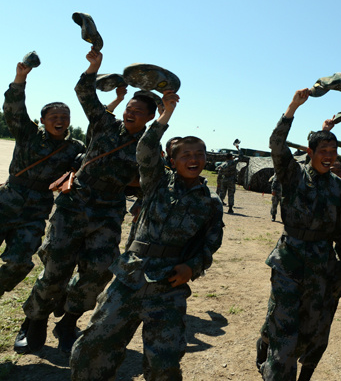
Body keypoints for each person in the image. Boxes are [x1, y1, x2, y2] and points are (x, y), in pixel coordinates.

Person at [69, 91, 224, 381]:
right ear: (172, 161)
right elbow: (145, 148)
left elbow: (211, 242)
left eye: (199, 154)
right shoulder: (156, 182)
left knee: (164, 362)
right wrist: (166, 115)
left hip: (169, 285)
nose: (193, 159)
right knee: (94, 347)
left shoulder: (211, 202)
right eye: (186, 155)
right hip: (130, 276)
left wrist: (193, 267)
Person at [18, 49, 156, 355]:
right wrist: (94, 67)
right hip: (75, 204)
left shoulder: (148, 145)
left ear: (149, 117)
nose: (130, 113)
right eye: (129, 108)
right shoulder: (104, 124)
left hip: (108, 213)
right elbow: (84, 92)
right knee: (56, 267)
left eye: (138, 111)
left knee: (99, 270)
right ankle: (35, 321)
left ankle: (68, 322)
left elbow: (150, 178)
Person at [258, 89, 341, 381]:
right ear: (310, 153)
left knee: (311, 331)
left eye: (333, 152)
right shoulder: (293, 175)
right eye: (323, 151)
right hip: (289, 263)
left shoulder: (338, 187)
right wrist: (292, 108)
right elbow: (276, 144)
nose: (329, 157)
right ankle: (272, 358)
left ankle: (273, 346)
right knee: (284, 334)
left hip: (321, 267)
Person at [3, 60, 85, 347]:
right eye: (54, 116)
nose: (60, 120)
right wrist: (20, 78)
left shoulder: (74, 147)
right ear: (43, 119)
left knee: (18, 262)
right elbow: (13, 109)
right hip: (8, 199)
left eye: (65, 116)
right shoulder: (28, 133)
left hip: (36, 209)